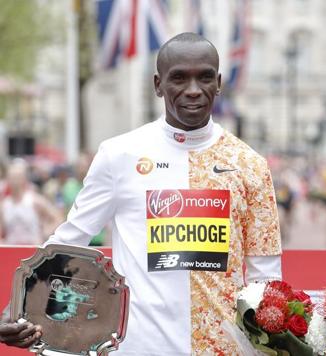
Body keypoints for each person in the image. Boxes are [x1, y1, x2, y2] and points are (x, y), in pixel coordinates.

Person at [0, 32, 282, 355]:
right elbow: (69, 241)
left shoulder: (250, 165)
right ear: (158, 84)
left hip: (227, 349)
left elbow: (267, 281)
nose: (193, 90)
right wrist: (17, 308)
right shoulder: (119, 155)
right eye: (179, 78)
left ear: (218, 82)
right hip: (141, 347)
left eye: (204, 77)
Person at [0, 159, 63, 245]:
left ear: (24, 179)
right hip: (12, 250)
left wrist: (45, 234)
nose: (14, 181)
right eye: (11, 177)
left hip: (33, 250)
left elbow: (58, 218)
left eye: (17, 177)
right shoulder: (4, 205)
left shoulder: (35, 200)